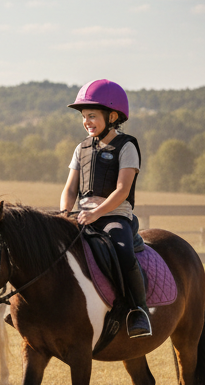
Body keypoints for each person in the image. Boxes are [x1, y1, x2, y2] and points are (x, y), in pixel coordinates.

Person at [60, 79, 151, 338]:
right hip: (83, 216)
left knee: (123, 252)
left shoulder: (127, 146)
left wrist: (96, 213)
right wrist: (65, 213)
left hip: (114, 217)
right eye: (84, 117)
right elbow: (69, 189)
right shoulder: (81, 148)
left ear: (112, 116)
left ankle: (138, 310)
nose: (86, 121)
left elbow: (122, 190)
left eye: (92, 115)